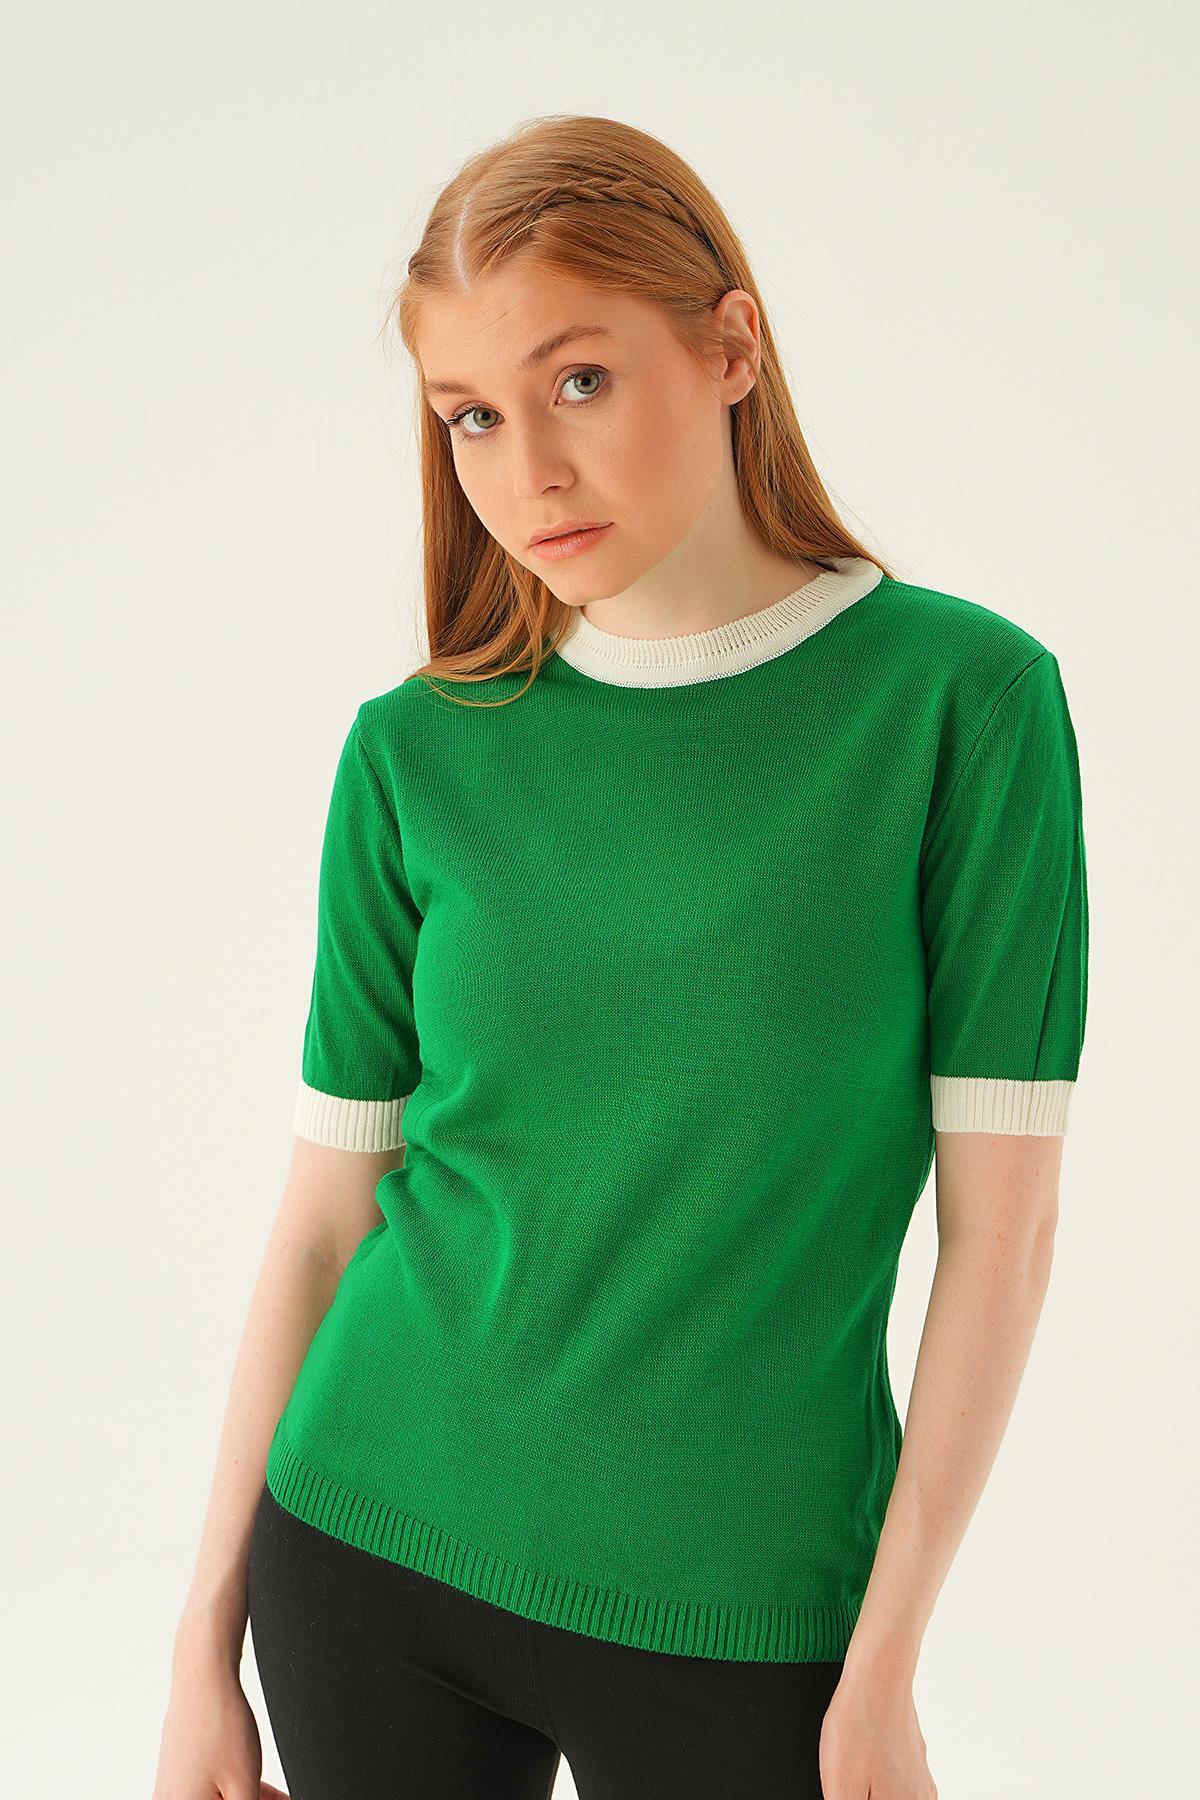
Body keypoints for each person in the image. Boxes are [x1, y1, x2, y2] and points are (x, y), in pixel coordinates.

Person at [152, 113, 1088, 1800]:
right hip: (365, 1550)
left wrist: (885, 1664)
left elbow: (1001, 1241)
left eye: (578, 381)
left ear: (731, 347)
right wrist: (197, 1648)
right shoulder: (415, 752)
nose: (527, 472)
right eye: (471, 416)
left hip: (747, 1613)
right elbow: (323, 1221)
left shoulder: (961, 706)